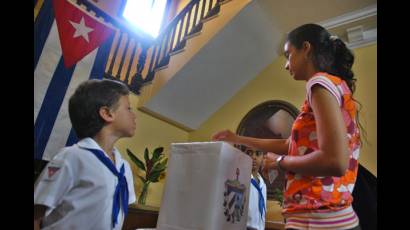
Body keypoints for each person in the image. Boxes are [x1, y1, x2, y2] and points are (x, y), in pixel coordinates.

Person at [212, 23, 362, 230]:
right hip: (327, 217)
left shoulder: (318, 83)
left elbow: (335, 161)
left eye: (288, 54)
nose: (286, 64)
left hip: (319, 220)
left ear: (306, 48)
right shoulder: (333, 86)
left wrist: (280, 163)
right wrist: (238, 139)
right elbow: (289, 143)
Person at [34, 79, 137, 230]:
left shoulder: (124, 167)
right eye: (129, 109)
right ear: (107, 113)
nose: (134, 116)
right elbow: (36, 213)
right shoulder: (72, 157)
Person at [239, 145, 267, 230]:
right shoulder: (242, 180)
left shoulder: (263, 184)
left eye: (258, 153)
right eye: (249, 153)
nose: (253, 157)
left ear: (263, 157)